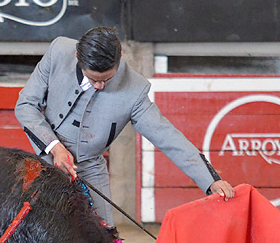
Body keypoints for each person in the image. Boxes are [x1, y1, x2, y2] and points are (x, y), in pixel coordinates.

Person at [14, 27, 234, 226]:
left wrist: (211, 181)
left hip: (88, 168)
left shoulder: (134, 90)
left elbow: (167, 137)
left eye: (106, 79)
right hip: (41, 159)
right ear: (77, 57)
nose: (99, 86)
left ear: (119, 57)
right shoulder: (59, 51)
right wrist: (55, 147)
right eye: (93, 80)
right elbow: (25, 105)